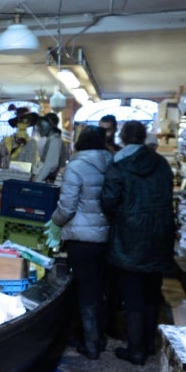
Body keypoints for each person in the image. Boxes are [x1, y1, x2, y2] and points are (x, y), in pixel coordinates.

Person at [100, 119, 175, 365]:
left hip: (128, 236)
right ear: (144, 138)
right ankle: (149, 345)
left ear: (122, 137)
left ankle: (135, 350)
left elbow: (109, 201)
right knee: (153, 294)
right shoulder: (161, 164)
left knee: (132, 296)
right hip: (158, 235)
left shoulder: (119, 164)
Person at [45, 126, 112, 356]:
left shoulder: (76, 167)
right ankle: (100, 337)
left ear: (79, 143)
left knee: (84, 291)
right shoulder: (111, 163)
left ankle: (90, 343)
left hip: (82, 239)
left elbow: (68, 206)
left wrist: (55, 221)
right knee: (100, 288)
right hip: (107, 237)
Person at [31, 113, 67, 184]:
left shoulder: (55, 140)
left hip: (50, 180)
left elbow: (50, 164)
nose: (39, 128)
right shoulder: (51, 139)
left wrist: (37, 181)